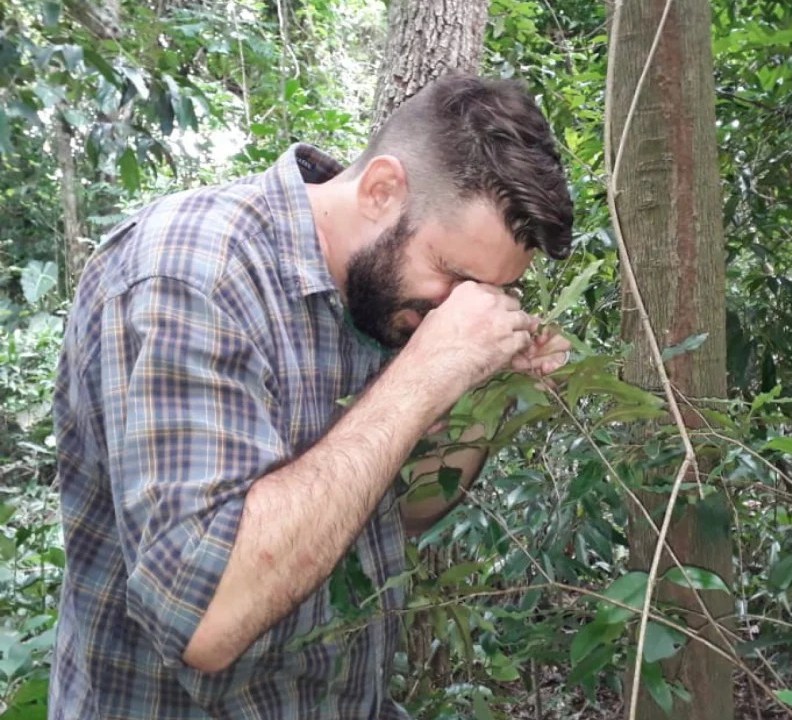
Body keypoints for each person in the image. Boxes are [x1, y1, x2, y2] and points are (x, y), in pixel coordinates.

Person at [47, 71, 575, 719]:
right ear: (382, 190)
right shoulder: (191, 273)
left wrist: (485, 390)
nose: (456, 309)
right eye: (454, 275)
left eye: (485, 292)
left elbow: (403, 510)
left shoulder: (384, 294)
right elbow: (202, 620)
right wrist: (426, 375)